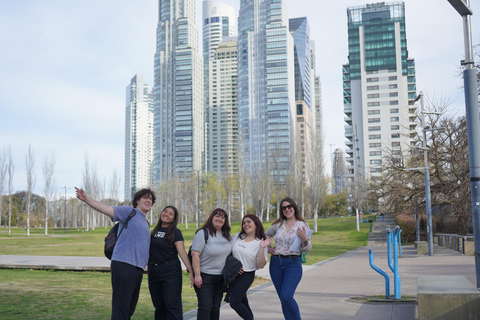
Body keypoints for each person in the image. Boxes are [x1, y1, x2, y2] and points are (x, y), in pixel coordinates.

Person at [75, 187, 155, 320]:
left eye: (151, 199)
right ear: (137, 200)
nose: (149, 200)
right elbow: (106, 209)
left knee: (129, 307)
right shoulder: (130, 212)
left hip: (138, 269)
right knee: (121, 307)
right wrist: (86, 199)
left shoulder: (145, 222)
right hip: (124, 265)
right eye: (145, 197)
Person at [265, 197, 312, 320]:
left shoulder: (302, 225)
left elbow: (307, 249)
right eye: (284, 208)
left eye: (289, 206)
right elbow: (265, 235)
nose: (287, 209)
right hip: (275, 263)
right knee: (283, 299)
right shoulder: (278, 225)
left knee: (287, 296)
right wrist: (268, 247)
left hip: (292, 263)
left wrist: (304, 238)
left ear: (294, 207)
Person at [148, 205, 194, 320]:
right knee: (159, 306)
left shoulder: (175, 232)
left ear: (174, 219)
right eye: (165, 211)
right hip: (153, 271)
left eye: (170, 214)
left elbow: (182, 253)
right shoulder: (154, 231)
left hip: (170, 271)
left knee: (172, 305)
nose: (166, 214)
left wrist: (191, 271)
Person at [228, 214, 272, 320]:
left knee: (234, 302)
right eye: (244, 222)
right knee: (243, 303)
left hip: (246, 275)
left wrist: (261, 248)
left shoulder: (260, 242)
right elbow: (229, 252)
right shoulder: (239, 236)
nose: (246, 224)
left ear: (256, 224)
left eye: (249, 222)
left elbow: (261, 265)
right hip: (234, 274)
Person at [191, 208, 232, 320]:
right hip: (204, 277)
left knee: (215, 307)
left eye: (223, 217)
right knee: (205, 307)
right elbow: (195, 254)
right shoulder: (203, 233)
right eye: (217, 216)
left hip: (220, 278)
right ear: (211, 218)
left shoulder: (227, 235)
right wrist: (197, 275)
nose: (220, 219)